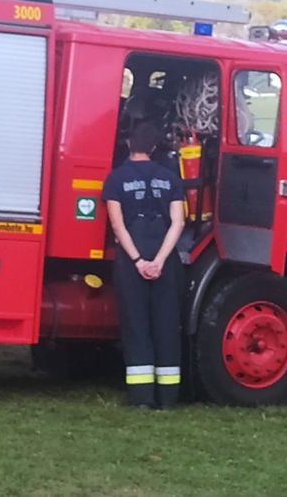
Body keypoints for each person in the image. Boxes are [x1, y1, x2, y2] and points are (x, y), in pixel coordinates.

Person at [103, 122, 186, 409]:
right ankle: (168, 398)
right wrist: (160, 260)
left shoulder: (116, 179)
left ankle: (141, 398)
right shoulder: (170, 178)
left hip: (132, 259)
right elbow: (178, 222)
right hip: (166, 258)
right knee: (165, 325)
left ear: (129, 145)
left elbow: (118, 225)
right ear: (153, 147)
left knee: (137, 326)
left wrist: (139, 260)